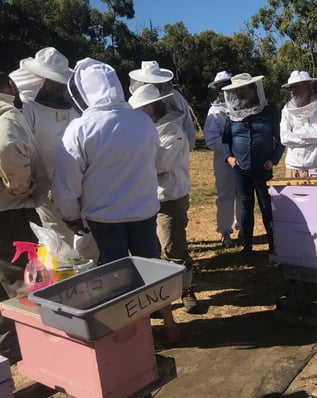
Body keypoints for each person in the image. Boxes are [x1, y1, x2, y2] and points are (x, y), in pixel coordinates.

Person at [53, 58, 182, 344]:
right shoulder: (141, 121)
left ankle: (135, 335)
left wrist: (70, 213)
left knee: (119, 278)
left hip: (105, 218)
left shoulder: (80, 127)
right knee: (152, 269)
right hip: (144, 212)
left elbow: (67, 180)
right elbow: (153, 161)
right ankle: (170, 323)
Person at [9, 47, 99, 261]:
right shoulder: (28, 108)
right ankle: (64, 281)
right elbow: (24, 150)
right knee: (57, 239)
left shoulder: (71, 108)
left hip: (79, 181)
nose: (58, 86)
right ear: (40, 79)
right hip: (46, 186)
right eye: (53, 81)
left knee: (89, 234)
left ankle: (88, 271)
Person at [129, 84, 199, 314]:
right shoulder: (140, 132)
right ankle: (160, 298)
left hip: (169, 198)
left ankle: (187, 289)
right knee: (151, 251)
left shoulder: (172, 131)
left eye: (139, 110)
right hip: (144, 199)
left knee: (174, 247)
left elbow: (159, 165)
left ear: (150, 109)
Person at [0, 71, 49, 362]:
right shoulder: (7, 115)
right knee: (29, 280)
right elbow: (8, 146)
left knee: (5, 280)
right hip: (11, 214)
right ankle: (37, 343)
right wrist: (21, 187)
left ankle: (8, 344)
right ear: (9, 85)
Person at [221, 73, 284, 256]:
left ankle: (273, 244)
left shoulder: (268, 110)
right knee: (245, 206)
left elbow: (281, 139)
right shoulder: (232, 113)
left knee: (266, 206)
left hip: (262, 167)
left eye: (243, 88)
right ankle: (247, 246)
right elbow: (225, 139)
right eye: (236, 90)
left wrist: (274, 159)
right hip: (240, 169)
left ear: (253, 89)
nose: (239, 93)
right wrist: (229, 157)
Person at [204, 71, 241, 248]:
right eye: (221, 87)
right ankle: (225, 232)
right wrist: (228, 148)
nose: (224, 91)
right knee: (225, 195)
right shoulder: (214, 111)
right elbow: (211, 139)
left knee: (243, 194)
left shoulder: (243, 106)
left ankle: (243, 228)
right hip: (223, 160)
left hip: (242, 158)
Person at [128, 60, 197, 151]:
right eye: (147, 83)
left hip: (175, 146)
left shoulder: (175, 96)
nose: (151, 86)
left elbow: (187, 122)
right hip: (155, 149)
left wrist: (188, 146)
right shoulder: (138, 101)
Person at [280, 70, 317, 177]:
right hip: (292, 168)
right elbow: (284, 138)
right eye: (291, 88)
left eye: (297, 87)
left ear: (309, 87)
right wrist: (312, 133)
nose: (293, 91)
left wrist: (295, 133)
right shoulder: (286, 110)